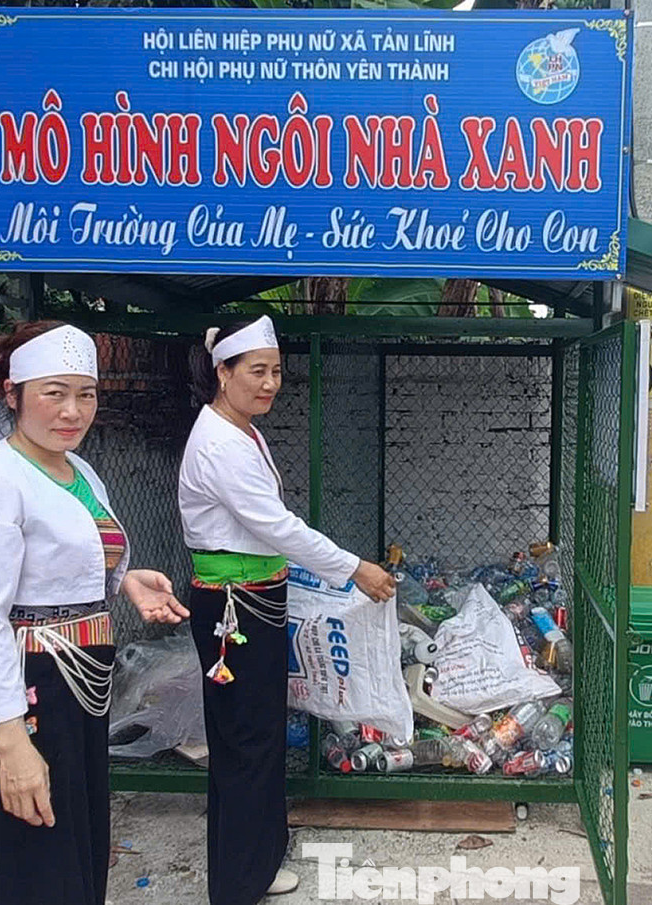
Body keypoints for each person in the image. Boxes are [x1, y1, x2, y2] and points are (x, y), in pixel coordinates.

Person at [0, 321, 188, 905]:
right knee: (28, 854)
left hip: (81, 682)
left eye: (87, 394)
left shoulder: (78, 470)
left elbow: (65, 558)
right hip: (28, 689)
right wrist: (12, 741)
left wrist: (126, 580)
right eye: (54, 393)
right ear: (12, 392)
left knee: (76, 840)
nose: (73, 411)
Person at [177, 316, 396, 903]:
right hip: (233, 611)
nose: (270, 383)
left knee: (260, 734)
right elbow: (277, 527)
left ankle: (257, 859)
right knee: (246, 741)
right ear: (223, 373)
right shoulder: (220, 443)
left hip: (257, 600)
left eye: (276, 372)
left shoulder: (242, 430)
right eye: (256, 371)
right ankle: (239, 883)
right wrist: (354, 568)